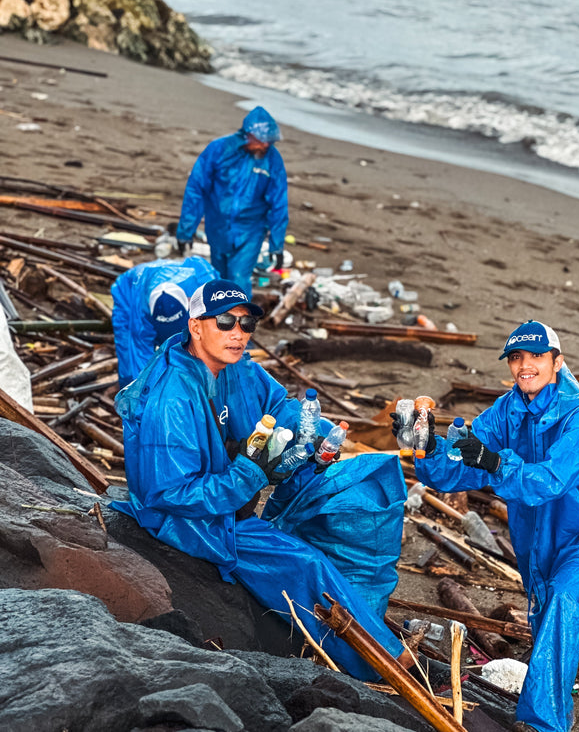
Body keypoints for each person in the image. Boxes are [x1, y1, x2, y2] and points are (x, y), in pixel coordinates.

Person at [112, 279, 412, 680]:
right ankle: (378, 662)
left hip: (231, 495)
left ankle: (362, 616)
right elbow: (168, 494)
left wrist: (314, 429)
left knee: (355, 488)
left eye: (246, 324)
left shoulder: (236, 370)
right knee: (304, 564)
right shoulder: (173, 398)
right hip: (188, 520)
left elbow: (280, 405)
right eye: (224, 322)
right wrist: (249, 474)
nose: (237, 333)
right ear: (195, 325)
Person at [407, 320, 579, 732]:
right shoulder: (506, 410)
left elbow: (548, 482)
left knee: (563, 600)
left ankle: (544, 724)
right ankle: (558, 705)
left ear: (557, 362)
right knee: (545, 614)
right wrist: (427, 446)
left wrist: (494, 461)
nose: (524, 365)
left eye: (536, 356)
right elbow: (462, 467)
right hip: (537, 537)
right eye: (516, 357)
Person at [175, 106, 288, 298]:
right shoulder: (219, 150)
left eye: (268, 142)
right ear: (249, 135)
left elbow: (279, 203)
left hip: (251, 229)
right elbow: (196, 190)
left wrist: (277, 244)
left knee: (238, 278)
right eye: (261, 141)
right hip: (217, 226)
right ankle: (221, 322)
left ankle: (241, 323)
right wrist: (186, 231)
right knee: (219, 278)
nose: (265, 146)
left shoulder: (272, 160)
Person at [111, 255, 217, 388]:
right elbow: (140, 353)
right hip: (128, 294)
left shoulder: (204, 287)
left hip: (163, 281)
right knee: (129, 357)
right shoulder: (141, 311)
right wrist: (141, 392)